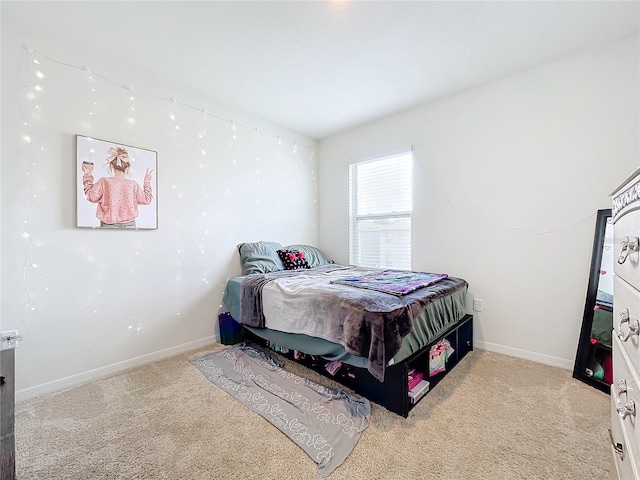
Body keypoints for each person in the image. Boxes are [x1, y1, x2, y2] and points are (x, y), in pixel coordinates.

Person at [82, 146, 153, 228]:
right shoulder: (133, 185)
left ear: (111, 165)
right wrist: (147, 182)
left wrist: (88, 174)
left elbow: (91, 196)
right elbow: (147, 200)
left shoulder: (104, 182)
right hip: (130, 226)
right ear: (127, 166)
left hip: (108, 225)